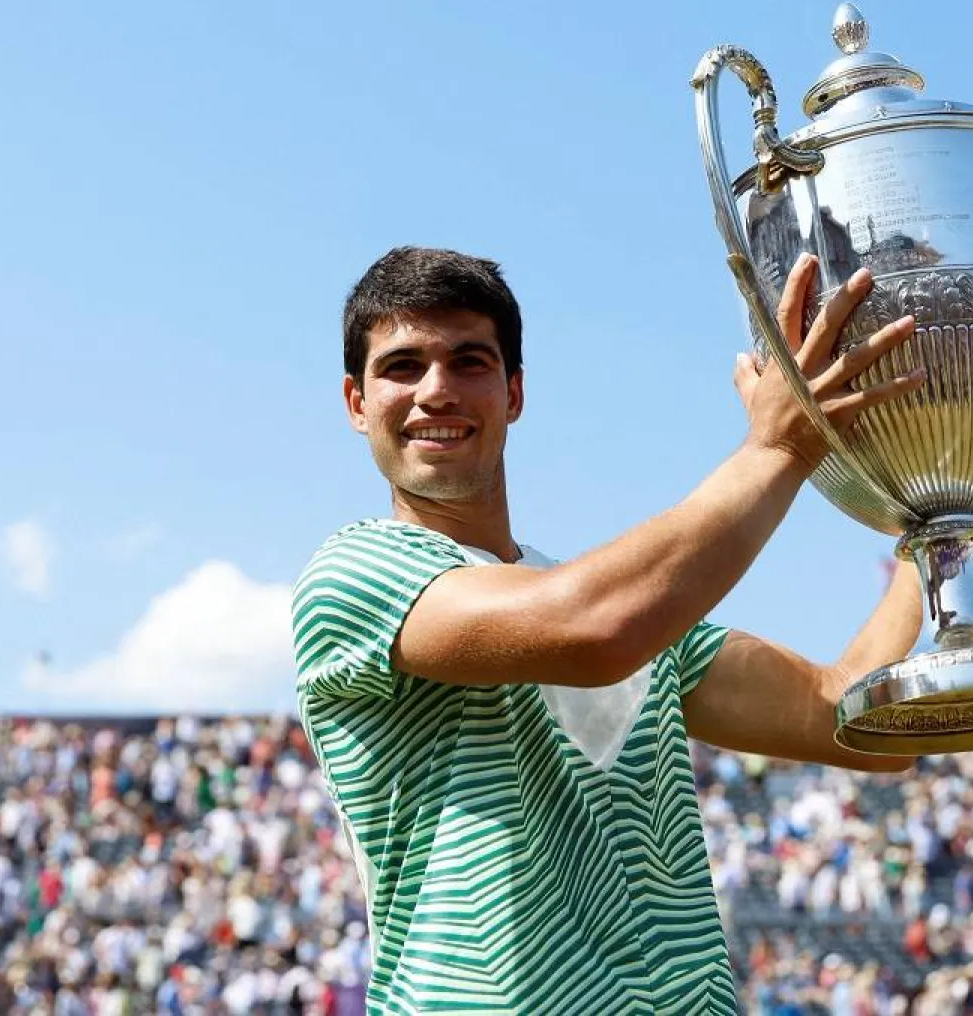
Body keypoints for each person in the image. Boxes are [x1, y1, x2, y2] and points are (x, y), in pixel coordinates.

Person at [291, 245, 936, 1014]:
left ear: (514, 392)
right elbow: (594, 628)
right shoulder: (354, 575)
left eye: (470, 361)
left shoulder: (628, 604)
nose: (436, 390)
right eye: (401, 367)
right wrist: (780, 447)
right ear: (355, 403)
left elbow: (851, 717)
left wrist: (936, 520)